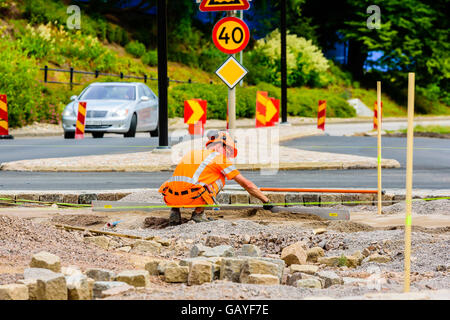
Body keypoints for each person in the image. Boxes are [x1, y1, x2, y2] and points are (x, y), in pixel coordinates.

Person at [159, 130, 274, 225]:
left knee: (180, 179)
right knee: (221, 179)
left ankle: (174, 213)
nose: (228, 156)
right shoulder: (219, 158)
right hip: (192, 196)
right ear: (220, 146)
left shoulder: (192, 153)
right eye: (228, 151)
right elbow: (246, 184)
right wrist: (266, 200)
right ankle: (198, 214)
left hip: (170, 197)